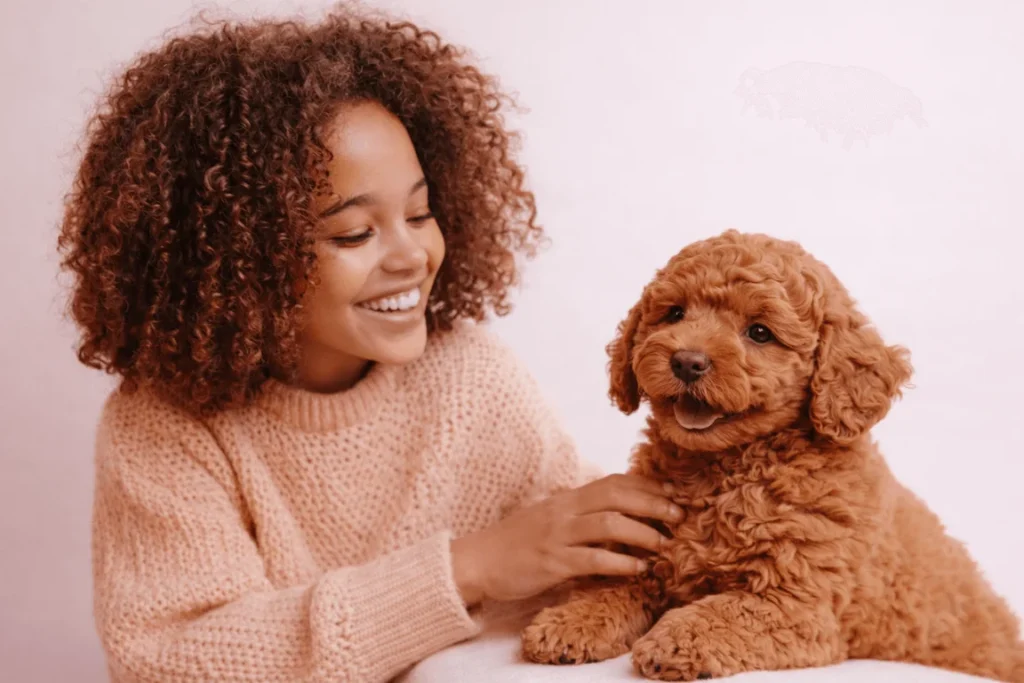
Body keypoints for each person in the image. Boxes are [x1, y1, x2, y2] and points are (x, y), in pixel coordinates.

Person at [58, 5, 683, 682]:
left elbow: (595, 553)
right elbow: (173, 662)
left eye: (420, 212)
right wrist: (468, 568)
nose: (411, 255)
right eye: (354, 233)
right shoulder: (166, 427)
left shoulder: (471, 379)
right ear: (236, 257)